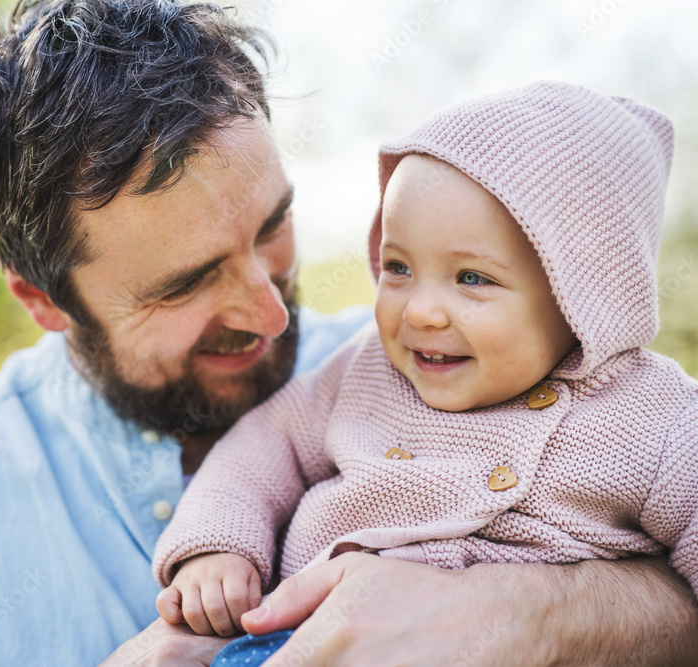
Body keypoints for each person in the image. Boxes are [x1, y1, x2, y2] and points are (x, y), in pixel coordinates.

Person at [0, 1, 698, 664]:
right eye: (185, 283)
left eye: (271, 230)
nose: (269, 311)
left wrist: (536, 613)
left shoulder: (399, 357)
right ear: (43, 300)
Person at [153, 81, 698, 665]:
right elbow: (262, 450)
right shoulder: (365, 372)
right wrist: (219, 548)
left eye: (471, 278)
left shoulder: (654, 417)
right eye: (398, 267)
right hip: (290, 643)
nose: (420, 311)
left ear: (585, 295)